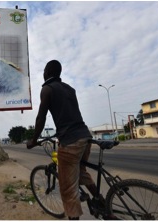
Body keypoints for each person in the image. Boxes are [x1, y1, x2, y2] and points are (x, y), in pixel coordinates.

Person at [27, 60, 100, 220]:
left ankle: (74, 217)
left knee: (68, 190)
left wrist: (33, 141)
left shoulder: (47, 89)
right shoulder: (70, 89)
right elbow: (69, 114)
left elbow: (41, 118)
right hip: (85, 136)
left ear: (46, 72)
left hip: (71, 141)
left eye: (44, 70)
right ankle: (100, 201)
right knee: (80, 170)